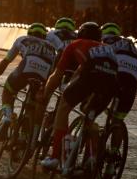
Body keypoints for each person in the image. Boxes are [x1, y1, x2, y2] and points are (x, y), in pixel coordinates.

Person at [39, 22, 118, 169]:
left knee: (63, 107)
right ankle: (92, 158)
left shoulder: (76, 44)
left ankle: (55, 156)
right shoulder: (108, 49)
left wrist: (46, 94)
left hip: (91, 77)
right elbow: (81, 71)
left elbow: (57, 76)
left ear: (80, 35)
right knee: (90, 116)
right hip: (110, 84)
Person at [0, 23, 56, 138]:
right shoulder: (52, 47)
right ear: (44, 36)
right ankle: (25, 137)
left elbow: (6, 61)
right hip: (43, 75)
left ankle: (7, 117)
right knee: (32, 105)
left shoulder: (22, 39)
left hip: (25, 70)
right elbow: (53, 71)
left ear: (29, 33)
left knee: (8, 91)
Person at [101, 23, 137, 179]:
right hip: (131, 83)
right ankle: (111, 162)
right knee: (117, 119)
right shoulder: (132, 46)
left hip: (115, 75)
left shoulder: (104, 40)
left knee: (93, 104)